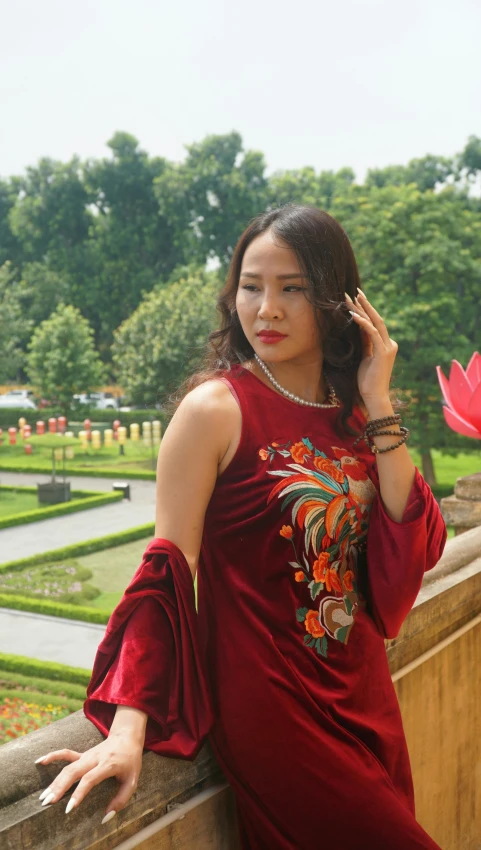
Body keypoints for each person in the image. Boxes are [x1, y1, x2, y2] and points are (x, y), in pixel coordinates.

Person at [34, 205, 447, 849]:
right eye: (252, 286)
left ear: (337, 301)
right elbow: (169, 570)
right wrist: (127, 727)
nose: (267, 309)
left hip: (367, 700)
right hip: (278, 713)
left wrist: (379, 399)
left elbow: (408, 549)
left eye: (293, 288)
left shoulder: (354, 412)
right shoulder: (215, 411)